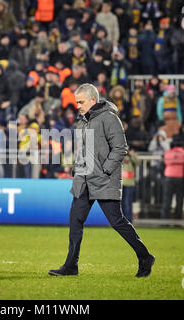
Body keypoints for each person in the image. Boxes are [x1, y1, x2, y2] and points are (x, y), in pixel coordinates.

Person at [48, 83, 155, 278]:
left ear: (93, 100)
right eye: (76, 102)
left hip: (104, 180)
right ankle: (71, 266)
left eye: (81, 102)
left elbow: (120, 148)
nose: (77, 106)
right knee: (75, 221)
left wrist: (105, 169)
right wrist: (77, 168)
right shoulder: (84, 121)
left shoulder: (109, 118)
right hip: (84, 180)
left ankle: (145, 257)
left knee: (117, 222)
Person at [161, 139, 184, 219]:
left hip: (168, 177)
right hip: (179, 178)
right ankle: (177, 219)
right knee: (179, 199)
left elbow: (165, 162)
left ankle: (164, 220)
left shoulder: (168, 152)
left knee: (167, 199)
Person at [122, 148, 140, 222]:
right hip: (121, 183)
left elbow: (138, 163)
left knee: (128, 202)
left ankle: (128, 219)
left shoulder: (133, 156)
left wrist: (132, 155)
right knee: (121, 203)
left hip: (130, 183)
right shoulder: (120, 155)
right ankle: (121, 219)